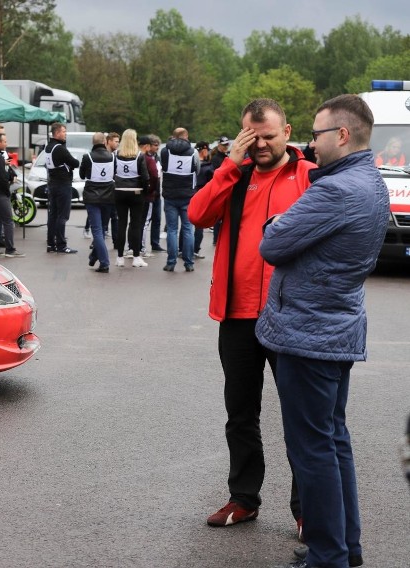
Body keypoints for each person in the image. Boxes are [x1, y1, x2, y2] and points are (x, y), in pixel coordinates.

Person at [257, 94, 388, 568]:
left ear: (343, 135)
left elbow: (273, 243)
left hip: (308, 333)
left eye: (315, 133)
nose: (310, 142)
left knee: (312, 449)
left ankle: (328, 554)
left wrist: (277, 222)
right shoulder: (370, 182)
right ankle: (343, 547)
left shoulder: (336, 190)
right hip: (337, 327)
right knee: (333, 441)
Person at [189, 98, 315, 536]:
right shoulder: (235, 176)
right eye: (252, 136)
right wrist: (228, 165)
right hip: (238, 314)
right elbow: (197, 214)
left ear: (288, 131)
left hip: (290, 316)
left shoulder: (309, 176)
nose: (261, 144)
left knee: (300, 417)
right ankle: (244, 498)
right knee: (240, 414)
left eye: (269, 135)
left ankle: (307, 509)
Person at [159, 127, 198, 272]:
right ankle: (188, 263)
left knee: (172, 230)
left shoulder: (165, 151)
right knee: (188, 229)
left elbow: (163, 167)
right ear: (186, 136)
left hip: (170, 195)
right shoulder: (193, 152)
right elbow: (197, 170)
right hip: (187, 195)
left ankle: (171, 262)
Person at [113, 129, 150, 268]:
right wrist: (145, 192)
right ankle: (136, 256)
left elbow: (112, 172)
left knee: (121, 224)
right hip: (136, 192)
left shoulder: (116, 154)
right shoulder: (140, 156)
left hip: (119, 191)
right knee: (135, 225)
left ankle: (120, 257)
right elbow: (145, 177)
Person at [80, 132, 116, 273]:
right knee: (102, 229)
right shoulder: (112, 157)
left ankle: (104, 262)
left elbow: (82, 175)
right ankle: (94, 255)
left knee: (97, 231)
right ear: (105, 142)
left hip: (92, 197)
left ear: (93, 142)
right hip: (108, 197)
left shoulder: (87, 157)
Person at [44, 122, 80, 254]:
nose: (65, 134)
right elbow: (75, 163)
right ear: (57, 133)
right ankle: (61, 245)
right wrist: (70, 163)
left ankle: (50, 244)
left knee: (53, 215)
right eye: (64, 132)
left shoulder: (48, 147)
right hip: (62, 184)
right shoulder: (59, 148)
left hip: (53, 184)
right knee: (62, 216)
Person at [84, 132, 120, 240]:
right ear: (107, 141)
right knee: (99, 223)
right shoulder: (110, 156)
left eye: (119, 142)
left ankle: (111, 238)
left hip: (102, 192)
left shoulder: (113, 155)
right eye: (116, 141)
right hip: (105, 192)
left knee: (109, 218)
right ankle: (90, 230)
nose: (118, 144)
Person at [189, 141, 213, 259]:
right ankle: (195, 249)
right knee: (199, 224)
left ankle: (182, 249)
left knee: (186, 224)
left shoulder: (190, 163)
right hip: (201, 195)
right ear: (204, 150)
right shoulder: (208, 167)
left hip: (189, 192)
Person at [137, 135, 160, 257]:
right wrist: (151, 190)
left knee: (135, 222)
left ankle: (132, 246)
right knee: (144, 222)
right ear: (147, 146)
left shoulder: (133, 157)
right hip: (146, 194)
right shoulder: (148, 159)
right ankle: (141, 248)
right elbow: (155, 176)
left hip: (135, 192)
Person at [147, 134, 165, 253]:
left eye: (158, 145)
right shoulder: (145, 158)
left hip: (157, 192)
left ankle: (155, 242)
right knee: (145, 220)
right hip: (149, 192)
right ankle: (139, 245)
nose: (157, 147)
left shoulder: (158, 158)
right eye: (155, 145)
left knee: (157, 219)